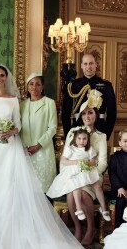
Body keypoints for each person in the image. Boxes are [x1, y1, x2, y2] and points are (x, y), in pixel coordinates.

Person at [0, 64, 83, 249]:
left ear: (6, 77)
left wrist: (11, 131)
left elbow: (19, 124)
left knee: (10, 186)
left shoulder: (13, 99)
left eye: (2, 75)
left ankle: (11, 224)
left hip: (10, 147)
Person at [65, 89, 108, 245]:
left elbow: (102, 162)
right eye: (83, 114)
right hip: (75, 173)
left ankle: (90, 228)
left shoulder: (101, 136)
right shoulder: (73, 132)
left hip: (93, 176)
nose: (86, 117)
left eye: (90, 113)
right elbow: (66, 157)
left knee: (83, 194)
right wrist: (73, 172)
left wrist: (90, 174)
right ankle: (77, 228)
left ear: (95, 115)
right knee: (71, 194)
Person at [47, 126, 110, 222]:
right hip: (74, 171)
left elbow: (93, 161)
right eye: (79, 139)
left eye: (84, 139)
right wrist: (76, 162)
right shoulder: (71, 148)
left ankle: (103, 208)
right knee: (76, 185)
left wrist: (87, 163)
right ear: (75, 139)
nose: (82, 141)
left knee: (97, 186)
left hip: (86, 170)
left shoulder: (89, 149)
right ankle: (79, 208)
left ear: (87, 139)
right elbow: (63, 161)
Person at [62, 53, 116, 140]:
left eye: (91, 63)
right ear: (81, 66)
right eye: (85, 64)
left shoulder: (106, 85)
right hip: (77, 129)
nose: (88, 67)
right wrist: (69, 134)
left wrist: (106, 134)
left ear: (96, 65)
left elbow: (112, 113)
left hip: (99, 129)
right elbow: (65, 113)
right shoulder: (73, 85)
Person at [20, 72, 57, 198]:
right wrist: (24, 147)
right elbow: (19, 128)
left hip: (43, 150)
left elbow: (52, 128)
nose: (34, 87)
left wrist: (38, 145)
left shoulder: (49, 103)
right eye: (31, 84)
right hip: (26, 151)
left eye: (37, 84)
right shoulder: (22, 105)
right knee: (27, 188)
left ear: (42, 87)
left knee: (43, 189)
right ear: (27, 86)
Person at [108, 127, 127, 228]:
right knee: (121, 200)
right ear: (120, 143)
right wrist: (119, 187)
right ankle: (119, 228)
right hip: (119, 189)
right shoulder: (115, 157)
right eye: (125, 141)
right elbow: (112, 173)